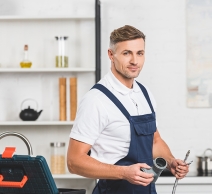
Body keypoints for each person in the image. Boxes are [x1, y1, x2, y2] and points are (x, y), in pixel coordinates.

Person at [67, 25, 189, 194]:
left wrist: (171, 162)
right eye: (127, 53)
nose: (135, 61)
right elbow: (74, 161)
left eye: (140, 53)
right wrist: (124, 173)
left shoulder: (145, 94)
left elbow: (154, 141)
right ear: (111, 55)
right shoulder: (96, 100)